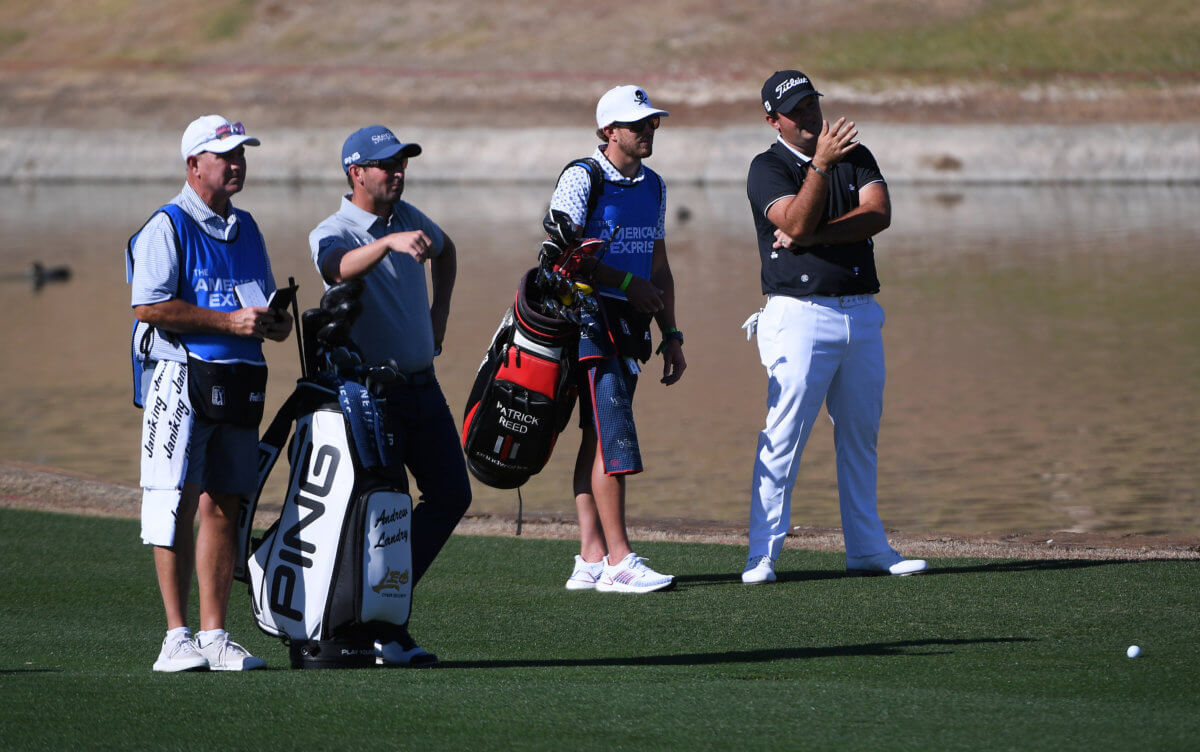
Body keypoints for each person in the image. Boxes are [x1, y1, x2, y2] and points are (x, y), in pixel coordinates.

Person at [741, 71, 928, 584]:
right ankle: (763, 554)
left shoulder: (856, 154)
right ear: (772, 120)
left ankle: (867, 549)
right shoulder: (767, 168)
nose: (809, 117)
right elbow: (792, 221)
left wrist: (814, 235)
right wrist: (820, 167)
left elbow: (879, 213)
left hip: (861, 312)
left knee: (861, 436)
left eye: (811, 105)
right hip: (799, 315)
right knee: (783, 437)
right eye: (796, 110)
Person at [128, 115, 292, 671]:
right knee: (173, 501)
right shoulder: (166, 225)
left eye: (242, 153)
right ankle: (175, 637)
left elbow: (260, 306)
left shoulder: (248, 227)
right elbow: (149, 306)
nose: (237, 163)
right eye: (226, 155)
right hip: (181, 380)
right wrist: (229, 323)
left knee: (225, 504)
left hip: (240, 382)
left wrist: (273, 325)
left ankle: (214, 635)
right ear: (194, 164)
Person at [308, 125, 471, 665]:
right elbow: (335, 267)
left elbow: (447, 253)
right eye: (386, 165)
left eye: (402, 163)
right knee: (387, 513)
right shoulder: (335, 230)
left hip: (424, 388)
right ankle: (381, 630)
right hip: (374, 399)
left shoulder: (408, 217)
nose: (398, 172)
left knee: (452, 495)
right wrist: (386, 243)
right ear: (356, 173)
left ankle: (380, 611)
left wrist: (439, 314)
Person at [548, 85, 687, 594]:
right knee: (612, 435)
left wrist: (671, 333)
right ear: (609, 131)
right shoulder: (580, 175)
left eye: (652, 122)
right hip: (587, 325)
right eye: (638, 124)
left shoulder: (655, 185)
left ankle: (589, 557)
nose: (649, 129)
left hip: (630, 330)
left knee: (596, 436)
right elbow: (560, 254)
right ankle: (619, 560)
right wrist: (628, 285)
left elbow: (659, 265)